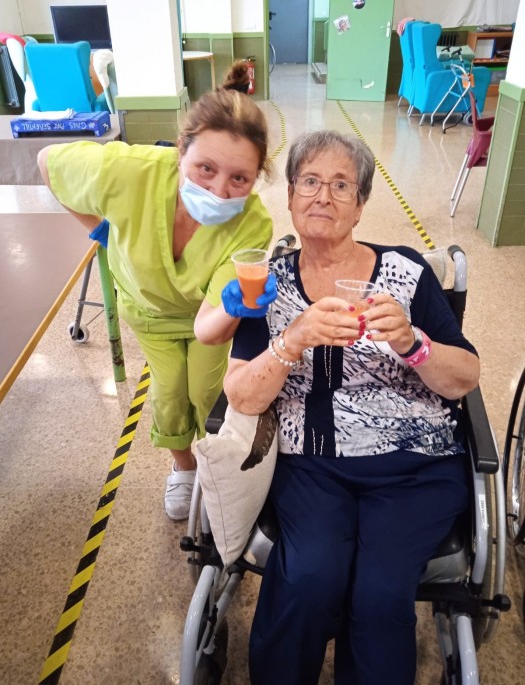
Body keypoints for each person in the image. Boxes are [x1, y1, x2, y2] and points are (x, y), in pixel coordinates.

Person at [219, 130, 480, 684]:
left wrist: (413, 342)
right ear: (290, 195)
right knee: (309, 577)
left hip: (416, 465)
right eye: (310, 181)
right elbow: (240, 394)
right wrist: (292, 340)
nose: (323, 196)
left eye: (342, 185)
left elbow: (465, 377)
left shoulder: (406, 272)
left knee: (381, 593)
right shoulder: (267, 285)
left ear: (360, 206)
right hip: (312, 465)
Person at [37, 83, 276, 522]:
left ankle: (214, 466)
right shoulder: (128, 172)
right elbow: (47, 162)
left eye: (239, 179)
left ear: (256, 177)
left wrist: (236, 306)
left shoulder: (253, 224)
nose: (219, 191)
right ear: (181, 149)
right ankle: (183, 466)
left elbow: (208, 329)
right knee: (169, 392)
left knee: (207, 392)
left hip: (205, 319)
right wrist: (99, 227)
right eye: (205, 168)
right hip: (147, 313)